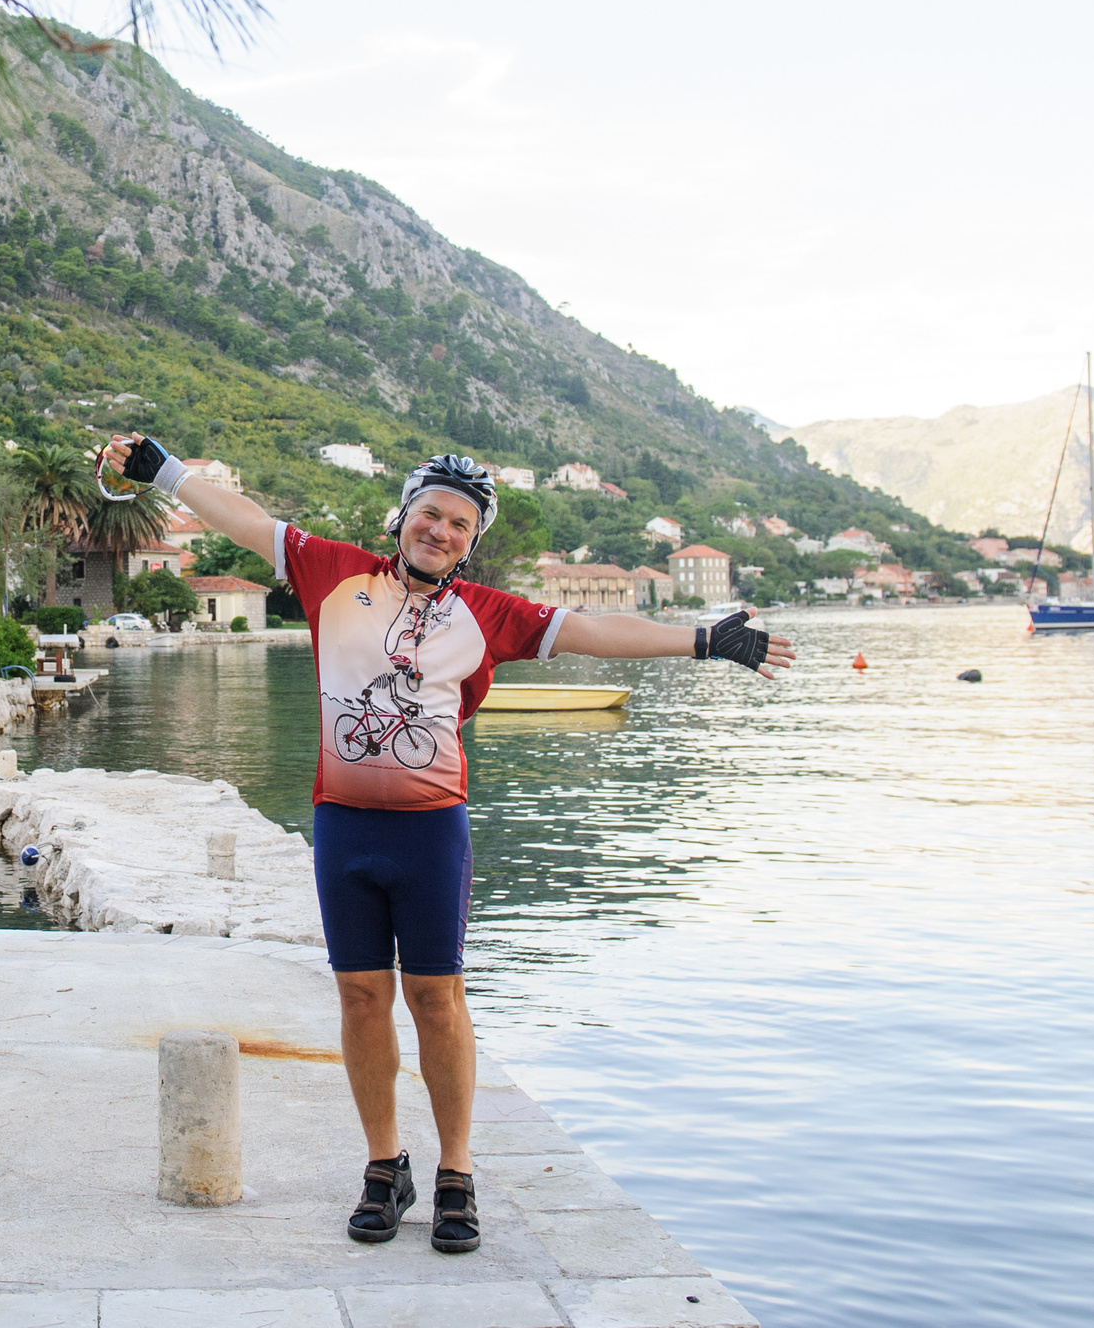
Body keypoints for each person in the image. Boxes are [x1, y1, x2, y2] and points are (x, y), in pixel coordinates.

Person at [99, 436, 794, 1253]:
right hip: (343, 823)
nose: (441, 530)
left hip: (432, 828)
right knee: (361, 996)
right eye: (430, 513)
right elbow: (246, 520)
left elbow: (594, 630)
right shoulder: (332, 571)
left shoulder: (488, 614)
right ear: (403, 516)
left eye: (460, 524)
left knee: (437, 998)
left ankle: (456, 1171)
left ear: (471, 542)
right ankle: (383, 1167)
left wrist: (703, 641)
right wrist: (165, 471)